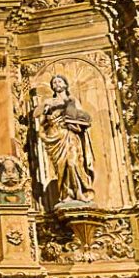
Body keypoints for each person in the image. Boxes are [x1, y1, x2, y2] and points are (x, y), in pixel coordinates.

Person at [35, 75, 96, 203]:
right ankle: (66, 194)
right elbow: (40, 120)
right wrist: (46, 112)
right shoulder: (49, 102)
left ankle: (80, 192)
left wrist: (75, 123)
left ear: (65, 84)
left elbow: (82, 117)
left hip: (71, 135)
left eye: (59, 81)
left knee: (72, 163)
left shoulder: (72, 100)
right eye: (54, 82)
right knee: (61, 167)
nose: (57, 84)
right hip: (56, 136)